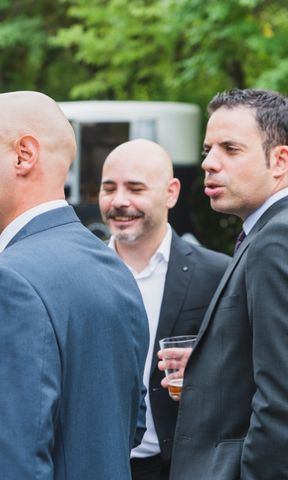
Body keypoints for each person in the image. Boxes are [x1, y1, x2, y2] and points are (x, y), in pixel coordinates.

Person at [0, 91, 149, 479]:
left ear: (24, 155)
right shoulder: (113, 267)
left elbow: (9, 465)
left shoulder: (11, 280)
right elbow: (124, 422)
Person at [159, 89, 288, 480]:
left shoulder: (275, 239)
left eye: (230, 149)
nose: (209, 164)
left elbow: (281, 396)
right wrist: (206, 361)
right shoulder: (266, 233)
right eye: (207, 149)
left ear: (280, 160)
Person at [99, 139, 230, 480]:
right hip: (93, 464)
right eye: (109, 188)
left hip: (180, 466)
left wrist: (202, 377)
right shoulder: (77, 270)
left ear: (171, 193)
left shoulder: (218, 274)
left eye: (135, 188)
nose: (119, 201)